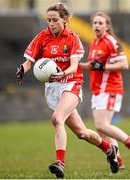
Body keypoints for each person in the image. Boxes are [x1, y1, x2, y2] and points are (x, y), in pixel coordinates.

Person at [16, 4, 120, 178]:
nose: (51, 23)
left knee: (57, 119)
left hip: (71, 83)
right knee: (82, 133)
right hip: (53, 88)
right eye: (48, 20)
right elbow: (29, 61)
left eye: (55, 20)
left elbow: (73, 67)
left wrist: (62, 73)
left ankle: (60, 163)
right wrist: (22, 69)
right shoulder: (42, 37)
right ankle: (109, 150)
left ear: (64, 19)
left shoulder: (72, 38)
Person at [80, 11, 130, 170]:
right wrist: (72, 64)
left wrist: (103, 66)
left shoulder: (111, 41)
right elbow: (91, 66)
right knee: (101, 127)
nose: (97, 25)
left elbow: (124, 65)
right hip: (97, 90)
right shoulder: (94, 43)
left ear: (107, 26)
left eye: (100, 23)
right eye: (95, 23)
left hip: (110, 88)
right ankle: (119, 160)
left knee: (102, 125)